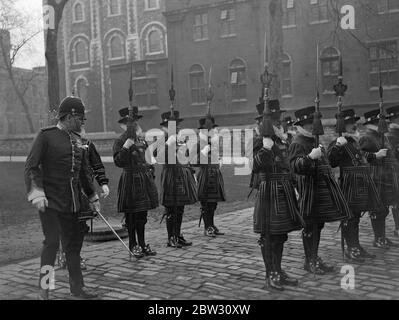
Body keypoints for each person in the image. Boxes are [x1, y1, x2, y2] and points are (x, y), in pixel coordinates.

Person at [25, 96, 99, 300]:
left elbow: (82, 172)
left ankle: (77, 288)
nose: (83, 121)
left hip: (73, 203)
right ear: (70, 116)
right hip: (50, 203)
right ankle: (45, 289)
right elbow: (31, 167)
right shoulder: (46, 136)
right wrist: (36, 193)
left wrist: (92, 196)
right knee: (51, 244)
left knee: (73, 246)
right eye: (81, 117)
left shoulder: (78, 139)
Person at [289, 106, 352, 275]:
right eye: (309, 123)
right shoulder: (298, 142)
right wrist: (309, 158)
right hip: (309, 189)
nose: (312, 126)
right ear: (302, 124)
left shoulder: (315, 140)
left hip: (321, 188)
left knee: (319, 224)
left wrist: (336, 148)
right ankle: (309, 260)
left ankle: (314, 257)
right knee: (310, 225)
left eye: (314, 122)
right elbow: (295, 166)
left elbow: (329, 162)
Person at [253, 99, 302, 291]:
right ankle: (270, 274)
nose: (279, 121)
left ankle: (278, 270)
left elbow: (288, 164)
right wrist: (265, 148)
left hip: (284, 189)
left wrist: (296, 184)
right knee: (269, 235)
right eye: (274, 119)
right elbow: (256, 165)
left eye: (278, 118)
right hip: (269, 191)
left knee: (280, 234)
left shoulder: (283, 139)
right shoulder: (260, 141)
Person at [327, 109, 382, 262]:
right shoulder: (339, 141)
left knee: (356, 216)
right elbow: (331, 162)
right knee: (350, 217)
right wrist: (338, 146)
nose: (354, 125)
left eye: (354, 122)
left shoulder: (353, 141)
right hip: (349, 184)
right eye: (350, 123)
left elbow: (362, 157)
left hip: (360, 182)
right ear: (343, 125)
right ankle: (351, 247)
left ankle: (356, 245)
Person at [57, 126, 110, 270]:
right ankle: (63, 254)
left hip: (84, 192)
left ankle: (75, 255)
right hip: (66, 192)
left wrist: (103, 183)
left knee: (80, 227)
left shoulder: (88, 145)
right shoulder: (62, 145)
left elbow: (97, 165)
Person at [113, 107, 159, 258]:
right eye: (130, 122)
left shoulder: (141, 139)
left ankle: (143, 243)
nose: (134, 125)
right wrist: (126, 147)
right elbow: (118, 162)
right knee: (131, 217)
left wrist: (151, 171)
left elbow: (148, 158)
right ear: (124, 124)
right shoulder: (120, 141)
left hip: (143, 180)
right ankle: (133, 246)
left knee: (142, 216)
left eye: (135, 121)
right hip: (130, 181)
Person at [155, 111, 198, 248]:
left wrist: (191, 172)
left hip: (181, 176)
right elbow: (159, 157)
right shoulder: (161, 140)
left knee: (180, 208)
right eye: (175, 125)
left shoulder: (180, 139)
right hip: (170, 176)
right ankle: (171, 238)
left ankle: (178, 235)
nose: (178, 127)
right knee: (170, 209)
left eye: (178, 125)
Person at [359, 109, 399, 248]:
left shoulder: (382, 136)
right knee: (378, 208)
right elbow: (362, 156)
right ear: (374, 123)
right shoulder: (367, 137)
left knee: (385, 208)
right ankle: (378, 238)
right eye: (380, 121)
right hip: (375, 176)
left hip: (386, 176)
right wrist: (376, 155)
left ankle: (382, 237)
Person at [195, 116, 226, 237]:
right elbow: (193, 160)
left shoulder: (214, 143)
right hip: (205, 174)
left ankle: (212, 225)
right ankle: (207, 226)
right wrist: (203, 152)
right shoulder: (199, 144)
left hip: (215, 173)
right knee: (206, 203)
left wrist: (219, 160)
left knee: (213, 203)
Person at [386, 105, 399, 237]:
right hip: (396, 171)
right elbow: (391, 155)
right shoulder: (391, 135)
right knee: (397, 200)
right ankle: (397, 227)